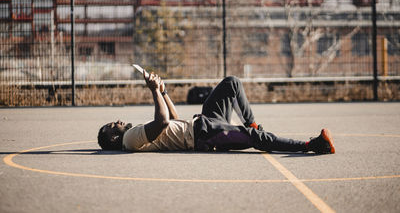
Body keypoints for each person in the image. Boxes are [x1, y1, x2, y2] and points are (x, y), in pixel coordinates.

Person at [97, 72, 335, 154]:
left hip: (202, 122)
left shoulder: (133, 135)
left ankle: (251, 125)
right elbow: (163, 121)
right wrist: (153, 91)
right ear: (113, 139)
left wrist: (163, 91)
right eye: (111, 125)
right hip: (205, 134)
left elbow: (173, 119)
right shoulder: (129, 140)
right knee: (257, 140)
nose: (116, 121)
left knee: (231, 83)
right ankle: (312, 145)